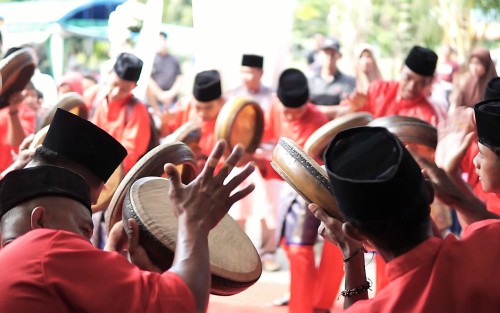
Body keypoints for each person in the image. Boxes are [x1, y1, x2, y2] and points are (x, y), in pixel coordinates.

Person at [0, 140, 256, 313]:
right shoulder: (46, 248)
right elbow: (183, 304)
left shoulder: (12, 261)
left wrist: (113, 258)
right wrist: (194, 223)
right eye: (83, 229)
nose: (87, 244)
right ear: (40, 221)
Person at [309, 125, 500, 311]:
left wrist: (351, 253)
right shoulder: (490, 242)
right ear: (430, 192)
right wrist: (459, 199)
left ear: (355, 232)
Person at [267, 68, 344, 313]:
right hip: (285, 190)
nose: (290, 116)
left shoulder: (318, 119)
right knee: (295, 250)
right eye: (287, 111)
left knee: (313, 249)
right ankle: (308, 301)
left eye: (296, 111)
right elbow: (268, 142)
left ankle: (317, 304)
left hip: (313, 193)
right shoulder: (275, 109)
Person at [225, 54, 282, 271]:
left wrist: (260, 154)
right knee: (238, 205)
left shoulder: (272, 98)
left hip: (264, 159)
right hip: (239, 157)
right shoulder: (232, 96)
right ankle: (237, 252)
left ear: (261, 73)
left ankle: (268, 253)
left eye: (251, 71)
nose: (247, 75)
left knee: (267, 207)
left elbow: (275, 133)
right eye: (244, 71)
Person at [341, 45, 440, 126]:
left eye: (421, 83)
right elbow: (342, 117)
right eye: (408, 78)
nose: (411, 87)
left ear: (429, 82)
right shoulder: (378, 89)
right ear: (401, 69)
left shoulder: (427, 117)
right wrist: (355, 108)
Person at [91, 52, 153, 173]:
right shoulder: (94, 97)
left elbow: (129, 154)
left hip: (113, 175)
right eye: (114, 84)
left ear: (134, 87)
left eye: (124, 89)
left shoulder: (137, 110)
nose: (116, 93)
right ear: (109, 75)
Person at [308, 36, 355, 119]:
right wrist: (335, 110)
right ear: (320, 54)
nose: (329, 57)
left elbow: (348, 109)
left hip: (337, 128)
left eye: (332, 54)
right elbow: (304, 108)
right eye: (326, 53)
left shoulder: (348, 82)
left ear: (339, 56)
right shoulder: (311, 80)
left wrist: (315, 110)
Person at [147, 31, 183, 113]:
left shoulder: (174, 59)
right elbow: (148, 80)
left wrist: (170, 94)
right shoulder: (151, 60)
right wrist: (160, 95)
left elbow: (179, 79)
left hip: (171, 103)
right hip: (153, 104)